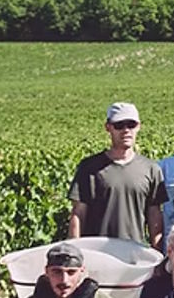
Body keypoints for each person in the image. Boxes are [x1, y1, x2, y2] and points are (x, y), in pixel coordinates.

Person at [67, 102, 165, 248]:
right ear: (108, 127)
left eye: (131, 125)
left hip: (134, 251)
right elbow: (78, 213)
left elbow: (154, 216)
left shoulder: (151, 169)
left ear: (138, 127)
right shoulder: (89, 167)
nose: (126, 130)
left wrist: (157, 252)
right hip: (96, 251)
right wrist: (74, 249)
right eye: (119, 125)